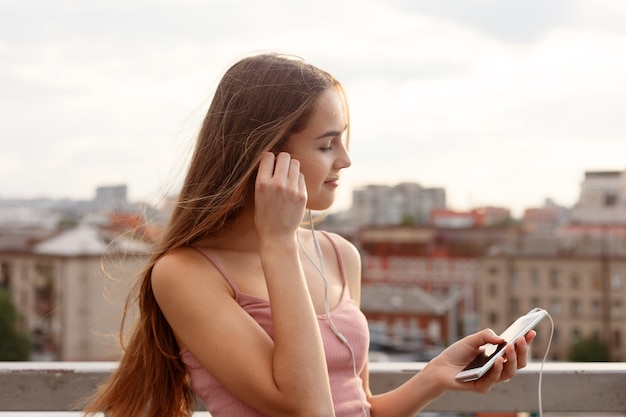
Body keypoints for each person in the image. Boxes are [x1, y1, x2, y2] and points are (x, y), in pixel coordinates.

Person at [83, 53, 535, 417]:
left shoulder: (339, 255)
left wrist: (434, 376)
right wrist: (277, 241)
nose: (345, 160)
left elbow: (356, 407)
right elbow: (308, 409)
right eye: (326, 144)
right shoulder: (184, 273)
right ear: (266, 161)